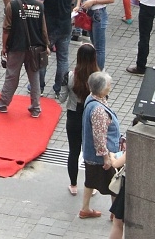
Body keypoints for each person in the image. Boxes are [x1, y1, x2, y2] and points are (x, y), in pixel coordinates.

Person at [0, 0, 50, 116]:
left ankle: (3, 104)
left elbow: (6, 29)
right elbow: (43, 29)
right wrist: (46, 45)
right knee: (34, 78)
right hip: (36, 48)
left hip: (16, 46)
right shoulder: (39, 6)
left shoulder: (13, 5)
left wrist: (4, 47)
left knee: (12, 76)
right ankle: (36, 107)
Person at [79, 71, 122, 220]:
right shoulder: (98, 110)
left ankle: (85, 208)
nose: (110, 87)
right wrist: (106, 158)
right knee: (115, 183)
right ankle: (115, 214)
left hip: (90, 153)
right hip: (103, 156)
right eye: (108, 85)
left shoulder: (91, 98)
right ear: (102, 89)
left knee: (90, 180)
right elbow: (99, 136)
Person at [37, 0, 79, 99]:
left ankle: (39, 87)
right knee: (63, 58)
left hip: (48, 26)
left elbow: (39, 4)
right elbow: (73, 1)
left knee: (42, 57)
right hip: (65, 24)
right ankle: (59, 88)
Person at [65, 43, 100, 196]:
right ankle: (90, 186)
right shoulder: (98, 77)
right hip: (91, 118)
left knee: (73, 151)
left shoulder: (70, 76)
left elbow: (62, 98)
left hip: (73, 116)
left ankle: (73, 185)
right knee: (89, 153)